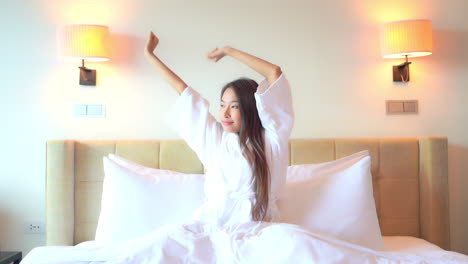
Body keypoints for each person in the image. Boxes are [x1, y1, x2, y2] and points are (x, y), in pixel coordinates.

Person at [144, 31, 294, 228]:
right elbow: (183, 91)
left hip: (263, 230)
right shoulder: (215, 139)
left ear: (249, 108)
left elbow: (274, 72)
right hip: (213, 225)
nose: (224, 114)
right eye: (222, 105)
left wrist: (229, 51)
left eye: (234, 106)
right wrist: (150, 55)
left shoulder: (273, 138)